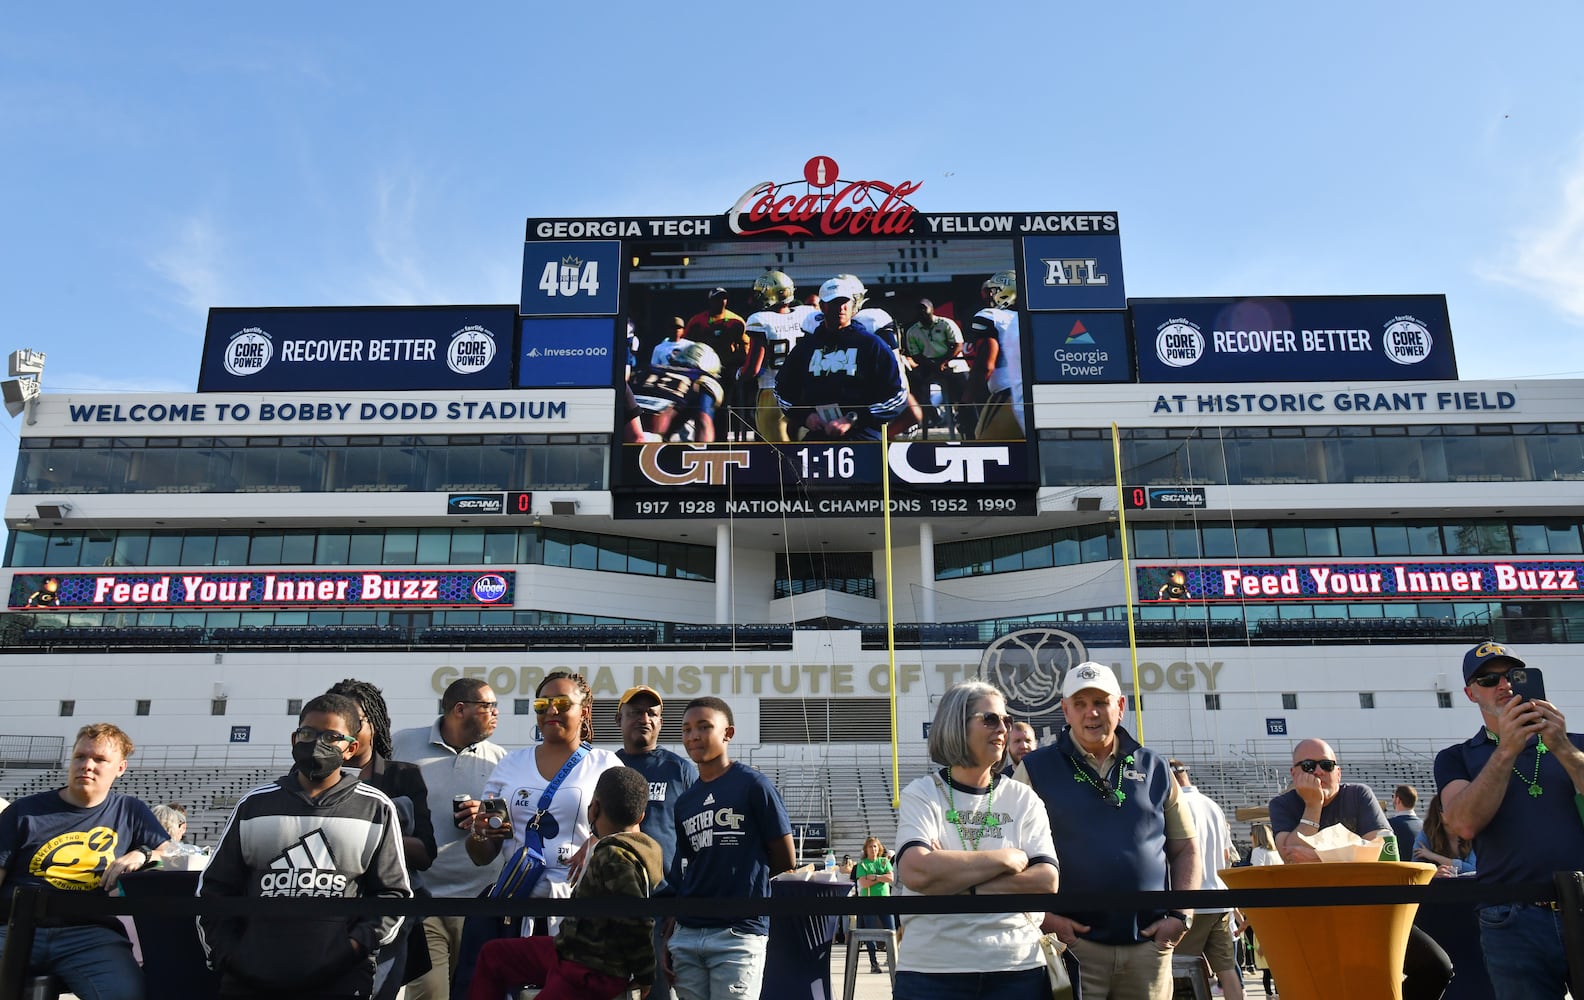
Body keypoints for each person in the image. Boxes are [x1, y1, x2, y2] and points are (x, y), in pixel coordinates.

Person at [197, 693, 412, 1000]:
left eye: (331, 736)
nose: (317, 743)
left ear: (351, 748)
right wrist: (231, 956)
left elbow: (393, 896)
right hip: (250, 981)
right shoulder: (255, 805)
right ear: (294, 738)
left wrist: (351, 949)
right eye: (308, 734)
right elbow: (214, 891)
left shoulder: (375, 808)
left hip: (340, 979)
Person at [1018, 662, 1198, 999]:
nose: (1092, 713)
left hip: (1148, 947)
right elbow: (1014, 855)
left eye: (1101, 702)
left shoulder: (1155, 766)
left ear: (1120, 706)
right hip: (1070, 946)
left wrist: (1181, 916)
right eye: (1081, 704)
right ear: (1065, 710)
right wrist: (1045, 919)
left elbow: (1186, 847)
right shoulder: (1034, 768)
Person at [893, 680, 1058, 1000]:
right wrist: (1004, 860)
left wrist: (953, 881)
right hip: (933, 971)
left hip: (1016, 967)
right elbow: (916, 871)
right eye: (990, 719)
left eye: (1007, 721)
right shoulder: (922, 794)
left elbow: (1046, 880)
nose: (1003, 729)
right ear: (956, 723)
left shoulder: (1023, 799)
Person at [1437, 641, 1584, 999]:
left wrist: (1562, 747)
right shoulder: (1456, 757)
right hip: (1511, 915)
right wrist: (1507, 749)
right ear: (1471, 693)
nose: (1504, 686)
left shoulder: (1574, 743)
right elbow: (1463, 824)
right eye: (1488, 679)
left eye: (1513, 677)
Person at [1268, 738, 1452, 1000]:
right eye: (1308, 766)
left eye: (1326, 765)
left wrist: (1319, 858)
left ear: (1338, 772)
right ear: (1294, 773)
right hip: (1315, 917)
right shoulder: (1283, 804)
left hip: (1372, 910)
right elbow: (1290, 858)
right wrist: (1313, 807)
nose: (1318, 772)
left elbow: (1383, 850)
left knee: (1437, 967)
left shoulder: (1358, 794)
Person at [0, 723, 170, 1000]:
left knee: (125, 994)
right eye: (80, 757)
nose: (87, 765)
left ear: (120, 768)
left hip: (89, 934)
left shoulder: (130, 811)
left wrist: (144, 853)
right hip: (14, 926)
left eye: (100, 759)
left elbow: (176, 854)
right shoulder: (24, 811)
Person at [468, 767, 666, 1000]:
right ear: (641, 817)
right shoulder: (620, 848)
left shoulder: (615, 857)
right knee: (493, 955)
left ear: (594, 808)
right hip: (570, 951)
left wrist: (645, 977)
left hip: (591, 970)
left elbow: (637, 921)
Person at [664, 696, 796, 1000]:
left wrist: (740, 877)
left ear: (728, 733)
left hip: (737, 933)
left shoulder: (754, 785)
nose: (693, 735)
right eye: (686, 729)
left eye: (704, 726)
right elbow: (690, 865)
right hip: (688, 934)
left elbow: (785, 857)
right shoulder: (685, 801)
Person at [464, 671, 619, 927]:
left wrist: (594, 842)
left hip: (581, 909)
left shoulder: (605, 764)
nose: (551, 710)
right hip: (517, 907)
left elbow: (630, 831)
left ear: (585, 712)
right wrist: (481, 833)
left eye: (562, 703)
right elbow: (482, 856)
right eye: (542, 704)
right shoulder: (510, 764)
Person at [391, 677, 510, 1000]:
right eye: (489, 707)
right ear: (460, 709)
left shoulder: (500, 760)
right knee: (430, 993)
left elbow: (505, 830)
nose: (497, 713)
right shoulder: (402, 745)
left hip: (480, 904)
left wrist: (484, 820)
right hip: (423, 899)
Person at [327, 678, 437, 1000]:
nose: (342, 731)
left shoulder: (403, 776)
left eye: (353, 721)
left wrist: (369, 836)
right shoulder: (309, 778)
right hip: (324, 916)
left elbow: (426, 853)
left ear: (373, 724)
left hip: (383, 920)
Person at [614, 685, 697, 1000]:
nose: (644, 719)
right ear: (619, 718)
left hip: (662, 903)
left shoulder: (679, 769)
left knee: (659, 992)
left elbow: (694, 840)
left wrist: (682, 901)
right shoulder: (606, 766)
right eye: (635, 712)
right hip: (612, 900)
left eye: (652, 713)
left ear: (661, 722)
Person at [774, 274, 908, 442]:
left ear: (853, 305)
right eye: (834, 303)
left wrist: (853, 418)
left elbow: (898, 395)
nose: (841, 308)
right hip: (818, 433)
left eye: (845, 302)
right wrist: (806, 416)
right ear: (822, 306)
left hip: (864, 435)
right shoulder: (807, 346)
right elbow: (781, 389)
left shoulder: (871, 344)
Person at [1169, 760, 1244, 1000]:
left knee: (1181, 972)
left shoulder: (1175, 805)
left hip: (1191, 899)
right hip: (1218, 899)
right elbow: (1226, 855)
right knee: (1227, 972)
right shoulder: (1213, 806)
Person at [741, 270, 816, 442]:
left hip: (772, 391)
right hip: (806, 390)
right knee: (808, 448)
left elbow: (753, 368)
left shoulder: (760, 319)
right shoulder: (807, 313)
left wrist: (740, 374)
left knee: (778, 453)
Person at [965, 270, 1025, 442]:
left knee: (987, 446)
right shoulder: (1031, 317)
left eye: (995, 290)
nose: (991, 295)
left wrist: (966, 400)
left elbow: (986, 365)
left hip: (1009, 393)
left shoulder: (992, 316)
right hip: (1040, 395)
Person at [901, 297, 969, 436]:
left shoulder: (945, 323)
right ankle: (930, 414)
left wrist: (943, 362)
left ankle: (964, 417)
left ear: (931, 309)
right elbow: (915, 354)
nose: (922, 312)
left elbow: (958, 345)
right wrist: (933, 365)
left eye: (924, 308)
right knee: (911, 383)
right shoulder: (912, 331)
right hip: (928, 365)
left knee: (965, 388)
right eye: (919, 309)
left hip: (952, 363)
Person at [683, 288, 747, 433]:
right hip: (705, 372)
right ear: (710, 300)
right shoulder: (697, 321)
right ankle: (712, 438)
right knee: (710, 405)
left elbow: (746, 346)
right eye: (718, 298)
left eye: (724, 298)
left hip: (728, 370)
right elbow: (686, 344)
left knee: (732, 406)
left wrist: (740, 366)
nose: (722, 301)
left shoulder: (736, 321)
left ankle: (735, 438)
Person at [852, 835, 896, 974]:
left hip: (884, 900)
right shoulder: (862, 864)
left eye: (875, 846)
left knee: (891, 930)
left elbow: (891, 878)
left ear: (879, 848)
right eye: (870, 846)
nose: (873, 849)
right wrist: (881, 879)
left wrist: (875, 877)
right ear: (866, 849)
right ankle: (874, 962)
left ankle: (894, 960)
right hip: (868, 900)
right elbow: (863, 883)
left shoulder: (884, 862)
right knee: (870, 932)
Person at [1412, 792, 1476, 876]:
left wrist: (1433, 856)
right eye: (1449, 808)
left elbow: (1473, 869)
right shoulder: (1426, 836)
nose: (1456, 812)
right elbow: (1416, 872)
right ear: (1438, 814)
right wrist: (1434, 874)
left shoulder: (1472, 832)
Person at [1389, 784, 1424, 864]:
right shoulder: (1426, 826)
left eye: (1393, 797)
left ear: (1398, 800)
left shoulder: (1388, 825)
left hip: (1398, 871)